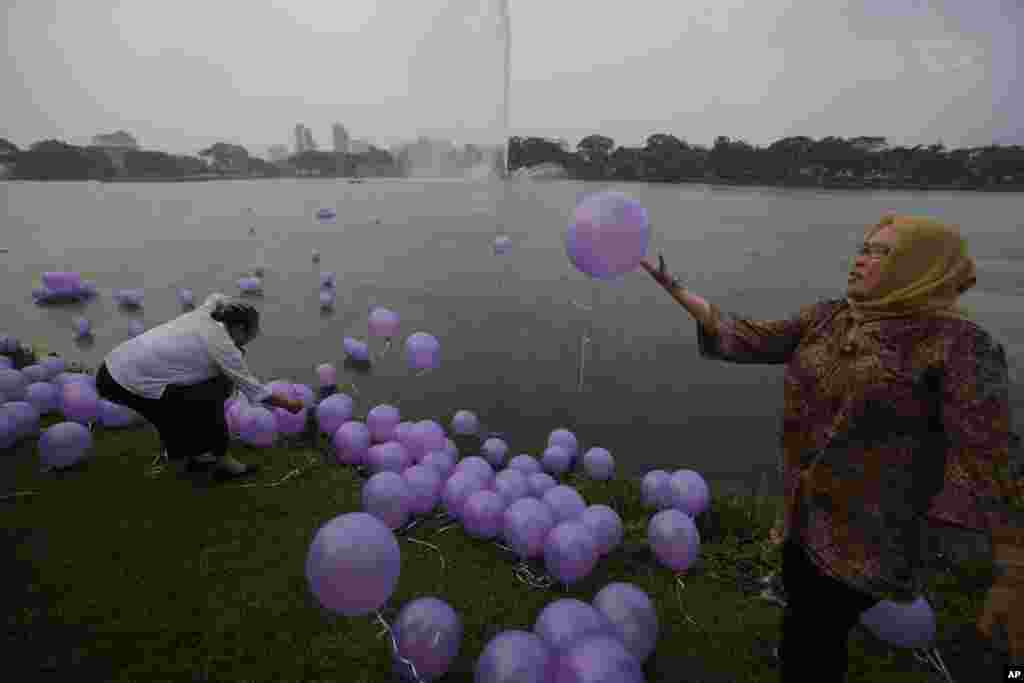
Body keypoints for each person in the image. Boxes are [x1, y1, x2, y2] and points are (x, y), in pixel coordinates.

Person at [640, 214, 1023, 681]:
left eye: (881, 252)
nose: (861, 258)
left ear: (921, 266)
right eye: (863, 247)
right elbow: (750, 338)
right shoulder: (831, 316)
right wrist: (675, 289)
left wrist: (1012, 567)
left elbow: (991, 454)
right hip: (805, 514)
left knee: (816, 628)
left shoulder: (957, 345)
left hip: (871, 536)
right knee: (808, 619)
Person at [95, 293, 304, 482]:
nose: (249, 340)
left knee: (179, 406)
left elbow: (216, 296)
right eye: (251, 334)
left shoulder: (206, 312)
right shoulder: (223, 346)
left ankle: (192, 456)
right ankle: (222, 462)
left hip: (111, 367)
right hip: (122, 382)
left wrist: (235, 304)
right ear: (240, 328)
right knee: (210, 396)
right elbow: (256, 391)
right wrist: (290, 404)